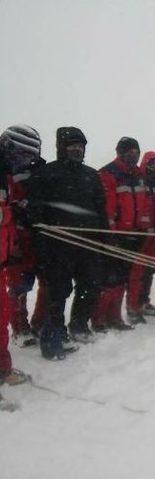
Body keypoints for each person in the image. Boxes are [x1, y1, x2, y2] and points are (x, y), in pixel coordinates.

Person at [27, 127, 109, 359]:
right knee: (58, 293)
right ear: (61, 148)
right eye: (72, 145)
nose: (77, 149)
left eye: (81, 146)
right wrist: (42, 245)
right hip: (57, 247)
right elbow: (35, 213)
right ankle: (53, 340)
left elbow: (100, 209)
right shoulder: (46, 173)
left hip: (88, 245)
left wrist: (103, 238)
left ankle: (79, 325)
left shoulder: (91, 175)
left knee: (90, 286)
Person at [92, 137, 148, 332]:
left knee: (123, 278)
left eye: (136, 152)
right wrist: (110, 234)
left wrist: (143, 229)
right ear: (120, 153)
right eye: (129, 152)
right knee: (108, 279)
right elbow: (107, 207)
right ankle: (98, 319)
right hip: (115, 234)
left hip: (134, 233)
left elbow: (143, 204)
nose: (134, 155)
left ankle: (114, 316)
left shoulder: (139, 174)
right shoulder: (109, 173)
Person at [0, 125, 37, 381]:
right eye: (23, 156)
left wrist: (16, 210)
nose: (25, 163)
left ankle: (2, 369)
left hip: (2, 259)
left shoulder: (5, 178)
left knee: (1, 319)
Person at [5, 132, 47, 347]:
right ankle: (20, 328)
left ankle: (39, 324)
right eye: (22, 153)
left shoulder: (41, 170)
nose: (26, 159)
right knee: (19, 286)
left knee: (47, 282)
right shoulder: (7, 172)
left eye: (31, 154)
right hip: (16, 239)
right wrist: (17, 210)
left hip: (39, 235)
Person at [125, 151, 155, 324]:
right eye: (152, 165)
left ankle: (144, 301)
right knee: (136, 272)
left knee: (150, 270)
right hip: (139, 234)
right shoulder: (136, 182)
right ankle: (133, 306)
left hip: (153, 237)